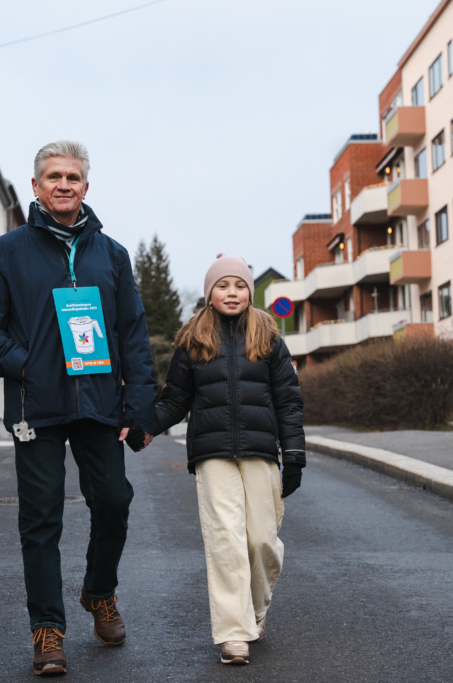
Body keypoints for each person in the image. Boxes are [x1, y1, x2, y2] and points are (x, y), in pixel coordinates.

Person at [0, 141, 157, 676]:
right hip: (37, 407)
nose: (64, 184)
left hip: (99, 404)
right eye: (53, 176)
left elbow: (133, 337)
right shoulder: (4, 253)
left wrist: (139, 408)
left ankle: (100, 592)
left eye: (73, 176)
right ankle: (47, 628)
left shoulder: (111, 255)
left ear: (86, 188)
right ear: (36, 187)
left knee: (114, 501)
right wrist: (27, 364)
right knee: (41, 519)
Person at [143, 253, 305, 665]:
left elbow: (288, 400)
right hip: (212, 453)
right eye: (222, 286)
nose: (231, 293)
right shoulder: (193, 340)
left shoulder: (268, 337)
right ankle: (234, 633)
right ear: (209, 293)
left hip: (261, 450)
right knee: (225, 541)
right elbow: (176, 399)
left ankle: (256, 608)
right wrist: (146, 428)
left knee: (260, 541)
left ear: (249, 292)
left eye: (239, 286)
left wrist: (296, 456)